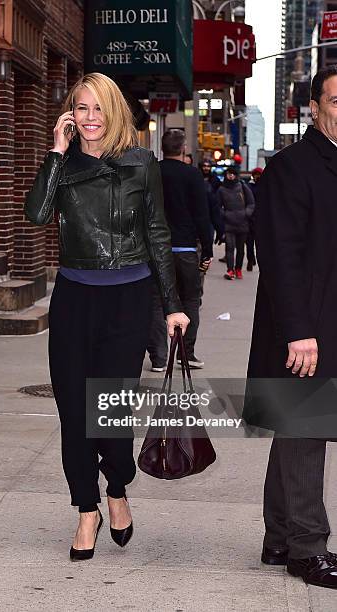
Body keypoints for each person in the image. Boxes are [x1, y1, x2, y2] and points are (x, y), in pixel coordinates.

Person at [24, 72, 188, 561]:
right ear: (69, 114)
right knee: (74, 412)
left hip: (127, 299)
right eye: (80, 108)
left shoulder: (141, 164)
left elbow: (158, 234)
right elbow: (36, 215)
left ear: (113, 111)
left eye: (97, 108)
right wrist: (56, 150)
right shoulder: (64, 165)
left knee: (111, 410)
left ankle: (117, 487)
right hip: (75, 299)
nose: (88, 118)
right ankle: (86, 508)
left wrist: (173, 305)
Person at [244, 65, 337, 588]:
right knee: (307, 430)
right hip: (305, 326)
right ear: (316, 107)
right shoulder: (293, 167)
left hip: (328, 321)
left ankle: (279, 537)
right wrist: (299, 331)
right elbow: (281, 257)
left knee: (294, 431)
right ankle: (308, 549)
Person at [147, 130, 213, 372]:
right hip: (185, 248)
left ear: (162, 148)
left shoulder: (153, 172)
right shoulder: (192, 175)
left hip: (155, 249)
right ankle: (186, 354)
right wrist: (207, 249)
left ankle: (158, 358)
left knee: (155, 302)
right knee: (190, 300)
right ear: (183, 148)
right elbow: (201, 214)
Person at [217, 166, 255, 280]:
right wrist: (224, 214)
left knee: (240, 249)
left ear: (236, 175)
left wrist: (246, 213)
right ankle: (230, 270)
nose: (231, 176)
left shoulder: (243, 187)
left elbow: (251, 203)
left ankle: (238, 269)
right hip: (229, 223)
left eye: (233, 174)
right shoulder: (221, 190)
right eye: (229, 174)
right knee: (229, 247)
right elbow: (217, 206)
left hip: (242, 223)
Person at [245, 167, 263, 271]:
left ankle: (256, 259)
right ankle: (250, 260)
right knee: (249, 242)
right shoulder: (249, 186)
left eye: (259, 174)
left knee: (260, 242)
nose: (257, 176)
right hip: (250, 218)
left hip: (261, 219)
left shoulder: (265, 186)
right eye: (255, 174)